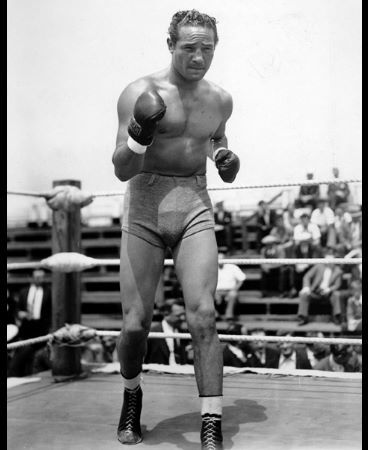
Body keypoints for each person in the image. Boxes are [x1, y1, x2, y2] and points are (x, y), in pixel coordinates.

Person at [111, 10, 240, 448]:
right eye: (190, 48)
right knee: (135, 324)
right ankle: (131, 397)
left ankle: (211, 422)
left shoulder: (221, 100)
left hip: (193, 203)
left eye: (207, 48)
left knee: (203, 314)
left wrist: (223, 156)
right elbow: (120, 169)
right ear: (170, 45)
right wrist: (138, 133)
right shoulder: (139, 92)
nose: (199, 56)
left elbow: (217, 139)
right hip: (144, 203)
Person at [8, 269, 52, 376]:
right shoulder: (24, 292)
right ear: (31, 278)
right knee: (24, 353)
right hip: (26, 327)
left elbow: (50, 311)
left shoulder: (48, 292)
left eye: (42, 277)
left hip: (41, 328)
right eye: (37, 277)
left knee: (37, 356)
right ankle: (19, 374)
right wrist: (20, 313)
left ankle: (32, 375)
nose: (39, 279)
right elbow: (17, 309)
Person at [297, 249, 343, 325]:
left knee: (336, 294)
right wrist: (306, 287)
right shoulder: (319, 266)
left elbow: (337, 285)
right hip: (315, 292)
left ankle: (337, 317)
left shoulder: (338, 270)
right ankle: (302, 318)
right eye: (327, 259)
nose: (329, 262)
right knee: (303, 294)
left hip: (328, 294)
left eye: (331, 259)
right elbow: (307, 276)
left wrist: (329, 289)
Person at [144, 300, 187, 365]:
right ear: (166, 313)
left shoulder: (184, 332)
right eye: (179, 315)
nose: (183, 318)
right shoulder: (152, 333)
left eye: (184, 314)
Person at [215, 253, 246, 320]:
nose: (220, 260)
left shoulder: (232, 267)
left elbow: (242, 279)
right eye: (218, 259)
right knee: (207, 295)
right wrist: (215, 293)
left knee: (233, 294)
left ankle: (229, 316)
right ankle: (215, 315)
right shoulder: (211, 268)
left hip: (230, 291)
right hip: (215, 291)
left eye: (221, 259)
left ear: (225, 259)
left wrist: (234, 290)